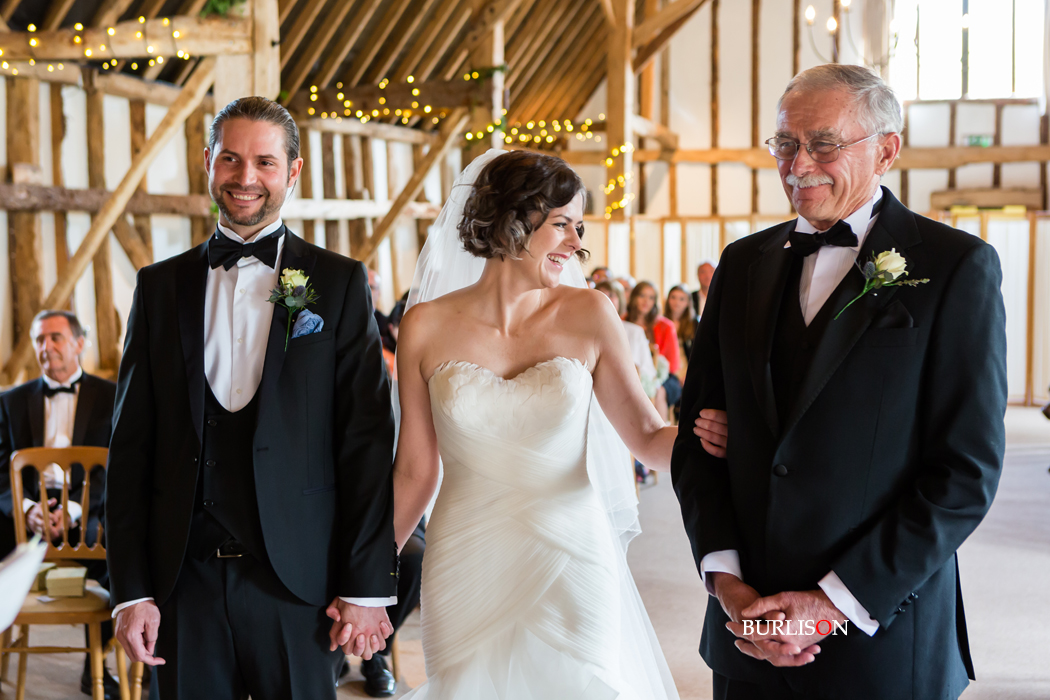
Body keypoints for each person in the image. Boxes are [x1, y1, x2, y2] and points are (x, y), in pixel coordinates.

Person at [676, 64, 1007, 700]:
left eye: (823, 143)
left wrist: (831, 601)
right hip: (747, 636)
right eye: (784, 143)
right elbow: (697, 441)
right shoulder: (741, 265)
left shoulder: (956, 267)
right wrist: (726, 581)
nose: (798, 164)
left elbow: (964, 473)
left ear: (887, 150)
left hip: (882, 637)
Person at [106, 96, 398, 700]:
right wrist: (131, 590)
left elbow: (366, 444)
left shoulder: (337, 284)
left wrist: (365, 587)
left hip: (301, 587)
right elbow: (130, 449)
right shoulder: (158, 288)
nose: (245, 178)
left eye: (264, 162)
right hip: (181, 585)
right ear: (207, 162)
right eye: (231, 159)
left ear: (292, 172)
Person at [390, 150, 680, 699]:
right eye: (562, 225)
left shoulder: (590, 313)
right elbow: (414, 470)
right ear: (512, 220)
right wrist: (368, 581)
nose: (576, 244)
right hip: (465, 559)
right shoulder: (424, 326)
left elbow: (647, 437)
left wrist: (731, 441)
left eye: (579, 227)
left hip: (571, 554)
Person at [0, 310, 120, 699]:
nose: (45, 347)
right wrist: (28, 508)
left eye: (54, 337)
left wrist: (72, 509)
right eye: (38, 339)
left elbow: (114, 468)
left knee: (120, 557)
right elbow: (1, 473)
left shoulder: (113, 396)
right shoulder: (11, 401)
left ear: (79, 343)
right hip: (26, 510)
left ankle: (96, 664)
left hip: (88, 510)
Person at [626, 281, 682, 409]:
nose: (646, 301)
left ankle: (659, 427)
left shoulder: (666, 326)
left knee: (658, 390)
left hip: (663, 376)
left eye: (651, 298)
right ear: (634, 297)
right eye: (642, 296)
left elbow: (672, 364)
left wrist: (652, 374)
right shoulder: (623, 321)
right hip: (631, 373)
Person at [664, 284, 697, 371]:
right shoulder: (662, 322)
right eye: (673, 297)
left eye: (682, 299)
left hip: (687, 368)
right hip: (666, 367)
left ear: (687, 302)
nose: (677, 302)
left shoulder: (694, 324)